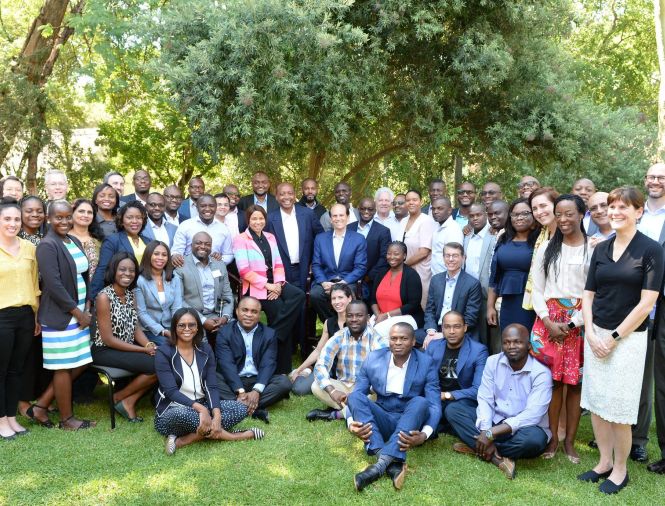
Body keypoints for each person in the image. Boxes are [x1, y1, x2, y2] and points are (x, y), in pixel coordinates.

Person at [579, 186, 663, 494]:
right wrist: (590, 331)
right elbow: (588, 294)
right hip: (595, 335)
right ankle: (602, 462)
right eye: (611, 207)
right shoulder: (601, 248)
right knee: (598, 405)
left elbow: (646, 303)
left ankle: (620, 469)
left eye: (622, 208)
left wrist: (614, 338)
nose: (614, 212)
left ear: (638, 211)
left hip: (627, 340)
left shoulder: (651, 250)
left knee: (619, 409)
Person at [530, 194, 591, 464]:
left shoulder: (594, 248)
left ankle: (570, 443)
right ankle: (553, 438)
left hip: (580, 322)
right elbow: (537, 289)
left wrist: (571, 323)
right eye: (559, 214)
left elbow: (595, 293)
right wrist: (546, 320)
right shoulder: (546, 248)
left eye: (569, 214)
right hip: (548, 323)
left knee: (574, 385)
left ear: (581, 215)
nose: (563, 219)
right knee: (553, 383)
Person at [447, 324, 553, 480]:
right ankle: (495, 456)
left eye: (517, 342)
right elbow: (485, 398)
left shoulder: (541, 373)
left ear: (529, 345)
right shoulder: (493, 362)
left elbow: (533, 415)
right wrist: (486, 430)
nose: (511, 346)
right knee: (454, 410)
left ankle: (478, 447)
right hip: (494, 421)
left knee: (535, 440)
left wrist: (490, 434)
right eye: (507, 342)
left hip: (524, 428)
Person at [155, 308, 263, 455]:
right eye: (182, 325)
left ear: (198, 327)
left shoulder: (205, 349)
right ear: (174, 327)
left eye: (191, 325)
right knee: (183, 414)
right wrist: (202, 410)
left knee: (241, 408)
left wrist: (216, 415)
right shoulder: (164, 352)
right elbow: (171, 391)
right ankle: (234, 436)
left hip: (202, 402)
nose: (187, 329)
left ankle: (184, 440)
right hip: (172, 411)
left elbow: (212, 385)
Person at [348, 323, 441, 491]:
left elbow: (434, 404)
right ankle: (388, 462)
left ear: (413, 342)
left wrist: (425, 435)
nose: (398, 342)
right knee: (353, 396)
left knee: (420, 401)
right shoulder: (373, 358)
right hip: (383, 417)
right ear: (389, 341)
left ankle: (377, 468)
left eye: (404, 338)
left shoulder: (426, 362)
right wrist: (350, 423)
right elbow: (358, 395)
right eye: (394, 338)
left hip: (410, 420)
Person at [34, 201, 94, 430]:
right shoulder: (47, 245)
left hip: (78, 311)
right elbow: (54, 285)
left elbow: (84, 275)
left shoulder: (73, 240)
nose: (64, 221)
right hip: (61, 316)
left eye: (68, 217)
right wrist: (78, 313)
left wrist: (85, 306)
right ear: (48, 218)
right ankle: (67, 420)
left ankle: (40, 407)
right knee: (62, 367)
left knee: (75, 363)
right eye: (58, 217)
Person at [233, 205, 306, 374]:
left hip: (276, 283)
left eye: (261, 218)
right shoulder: (241, 239)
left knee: (298, 294)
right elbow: (244, 271)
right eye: (254, 219)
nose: (258, 222)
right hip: (256, 287)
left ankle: (274, 335)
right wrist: (267, 285)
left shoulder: (270, 237)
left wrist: (279, 285)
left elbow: (279, 262)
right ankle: (282, 369)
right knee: (282, 312)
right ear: (248, 220)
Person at [92, 252, 158, 422]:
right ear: (113, 270)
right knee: (156, 365)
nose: (127, 274)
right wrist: (142, 349)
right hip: (104, 350)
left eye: (131, 270)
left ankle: (126, 400)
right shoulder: (104, 297)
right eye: (122, 269)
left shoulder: (130, 295)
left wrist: (149, 344)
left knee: (162, 358)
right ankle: (119, 397)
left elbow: (134, 328)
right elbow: (108, 339)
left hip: (125, 348)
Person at [215, 296, 292, 422]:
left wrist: (257, 390)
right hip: (233, 380)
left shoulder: (269, 334)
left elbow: (268, 363)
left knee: (284, 383)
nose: (249, 315)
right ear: (237, 311)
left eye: (254, 311)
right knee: (210, 378)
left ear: (259, 314)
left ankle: (237, 406)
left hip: (258, 378)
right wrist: (240, 391)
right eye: (245, 310)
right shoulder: (225, 332)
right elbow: (226, 364)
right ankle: (254, 410)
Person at [308, 301, 386, 421]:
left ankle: (338, 414)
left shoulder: (376, 339)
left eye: (359, 315)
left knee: (380, 392)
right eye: (350, 315)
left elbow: (383, 374)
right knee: (316, 386)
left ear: (368, 318)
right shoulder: (339, 336)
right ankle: (356, 410)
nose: (354, 319)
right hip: (343, 387)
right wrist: (333, 391)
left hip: (366, 390)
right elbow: (320, 365)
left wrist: (362, 392)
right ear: (346, 317)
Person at [0, 199, 39, 439]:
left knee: (17, 371)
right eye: (7, 219)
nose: (12, 223)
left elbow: (35, 284)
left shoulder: (29, 248)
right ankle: (1, 420)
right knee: (1, 371)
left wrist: (35, 316)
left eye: (16, 219)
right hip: (1, 317)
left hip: (26, 315)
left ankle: (12, 418)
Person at [635, 163, 665, 465]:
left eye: (661, 177)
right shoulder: (635, 212)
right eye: (652, 176)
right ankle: (629, 435)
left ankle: (646, 442)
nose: (655, 181)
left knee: (656, 378)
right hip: (630, 303)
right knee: (635, 374)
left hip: (660, 306)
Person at [425, 311, 488, 434]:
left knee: (451, 410)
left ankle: (444, 423)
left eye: (457, 326)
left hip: (462, 400)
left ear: (465, 328)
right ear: (442, 328)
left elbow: (478, 390)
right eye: (447, 327)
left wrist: (446, 395)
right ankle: (445, 425)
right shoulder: (433, 346)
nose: (452, 331)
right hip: (436, 398)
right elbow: (422, 377)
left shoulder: (479, 351)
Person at [289, 283, 353, 396]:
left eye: (340, 297)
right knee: (299, 389)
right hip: (329, 367)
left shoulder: (357, 321)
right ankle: (308, 370)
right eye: (333, 298)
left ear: (349, 298)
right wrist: (299, 369)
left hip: (349, 370)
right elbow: (318, 350)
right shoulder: (329, 323)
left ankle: (310, 372)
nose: (337, 302)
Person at [487, 199, 539, 333]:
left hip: (532, 304)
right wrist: (490, 306)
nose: (519, 217)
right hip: (507, 303)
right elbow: (495, 276)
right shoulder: (504, 238)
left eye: (525, 213)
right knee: (510, 340)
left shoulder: (541, 239)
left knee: (528, 342)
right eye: (515, 214)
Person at [310, 203, 367, 322]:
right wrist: (323, 282)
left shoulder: (359, 239)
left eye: (341, 215)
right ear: (330, 219)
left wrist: (344, 282)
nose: (338, 218)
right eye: (335, 216)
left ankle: (348, 325)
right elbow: (316, 264)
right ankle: (332, 324)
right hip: (327, 280)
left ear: (347, 217)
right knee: (315, 294)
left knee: (347, 295)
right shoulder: (320, 238)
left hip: (348, 281)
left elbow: (360, 267)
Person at [175, 232, 234, 343]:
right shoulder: (181, 266)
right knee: (202, 347)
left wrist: (225, 317)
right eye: (199, 243)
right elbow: (179, 300)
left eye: (207, 244)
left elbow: (227, 294)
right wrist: (202, 320)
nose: (203, 246)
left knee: (235, 337)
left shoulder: (219, 264)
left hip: (217, 315)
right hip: (192, 315)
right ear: (191, 245)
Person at [266, 182, 323, 291]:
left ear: (295, 195)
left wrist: (316, 261)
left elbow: (321, 238)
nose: (286, 197)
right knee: (285, 304)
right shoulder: (269, 218)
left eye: (290, 193)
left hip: (304, 268)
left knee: (302, 303)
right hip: (279, 272)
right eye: (282, 194)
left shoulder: (308, 214)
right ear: (277, 197)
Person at [422, 243, 482, 345]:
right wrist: (431, 331)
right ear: (443, 257)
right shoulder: (436, 280)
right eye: (447, 255)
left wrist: (444, 334)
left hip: (460, 331)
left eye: (455, 256)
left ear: (463, 258)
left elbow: (470, 318)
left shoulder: (472, 284)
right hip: (436, 328)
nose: (451, 259)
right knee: (409, 337)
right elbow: (430, 310)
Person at [90, 201, 149, 299]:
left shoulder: (148, 241)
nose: (134, 221)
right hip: (122, 295)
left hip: (146, 295)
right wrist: (93, 297)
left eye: (138, 218)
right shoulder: (112, 240)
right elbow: (102, 269)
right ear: (121, 220)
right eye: (129, 217)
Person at [369, 241, 423, 337]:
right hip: (380, 315)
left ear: (404, 256)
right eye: (389, 254)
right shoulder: (381, 273)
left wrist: (386, 316)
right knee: (365, 331)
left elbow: (413, 305)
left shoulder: (411, 275)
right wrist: (378, 315)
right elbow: (373, 299)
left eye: (396, 254)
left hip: (406, 317)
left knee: (376, 332)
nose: (392, 257)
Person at [135, 241, 183, 346]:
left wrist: (178, 328)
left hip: (171, 326)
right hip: (149, 329)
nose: (160, 258)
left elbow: (177, 308)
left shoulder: (174, 278)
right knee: (169, 345)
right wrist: (164, 331)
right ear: (148, 255)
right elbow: (141, 313)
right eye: (156, 254)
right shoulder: (139, 280)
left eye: (164, 255)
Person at [171, 194, 234, 267]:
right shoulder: (185, 226)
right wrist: (176, 256)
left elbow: (228, 254)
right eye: (203, 206)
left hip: (214, 270)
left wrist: (220, 260)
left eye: (211, 206)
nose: (207, 209)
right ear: (197, 208)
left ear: (216, 207)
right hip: (190, 270)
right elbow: (177, 251)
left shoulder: (224, 229)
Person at [523, 187, 559, 311]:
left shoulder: (570, 234)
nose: (539, 212)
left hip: (565, 306)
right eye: (534, 209)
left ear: (556, 205)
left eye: (543, 206)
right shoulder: (542, 234)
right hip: (542, 306)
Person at [399, 190, 435, 309]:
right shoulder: (403, 221)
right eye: (408, 200)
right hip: (404, 271)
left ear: (421, 201)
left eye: (414, 200)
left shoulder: (427, 220)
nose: (411, 203)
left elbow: (424, 252)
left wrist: (402, 265)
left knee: (421, 304)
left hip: (421, 272)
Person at [347, 197, 391, 287]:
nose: (366, 212)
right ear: (358, 209)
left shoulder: (383, 231)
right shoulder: (348, 228)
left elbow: (384, 257)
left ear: (375, 211)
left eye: (370, 209)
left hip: (370, 281)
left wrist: (369, 276)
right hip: (347, 277)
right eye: (363, 209)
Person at [430, 196, 464, 276]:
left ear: (449, 211)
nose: (435, 211)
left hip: (447, 279)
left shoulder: (453, 229)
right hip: (436, 277)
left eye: (440, 208)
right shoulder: (437, 226)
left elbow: (454, 260)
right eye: (433, 209)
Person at [70, 199, 102, 279]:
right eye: (81, 211)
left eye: (89, 212)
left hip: (94, 289)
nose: (86, 215)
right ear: (72, 213)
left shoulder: (98, 240)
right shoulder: (63, 238)